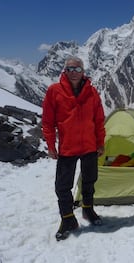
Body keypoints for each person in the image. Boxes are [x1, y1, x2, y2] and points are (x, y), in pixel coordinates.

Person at [42, 56, 106, 241]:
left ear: (83, 71)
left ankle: (88, 210)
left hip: (89, 146)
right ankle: (68, 219)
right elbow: (48, 122)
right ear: (65, 71)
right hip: (67, 148)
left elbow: (99, 121)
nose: (74, 73)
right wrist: (50, 144)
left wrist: (100, 143)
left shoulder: (92, 93)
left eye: (77, 69)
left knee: (89, 181)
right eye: (70, 69)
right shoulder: (54, 91)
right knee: (62, 186)